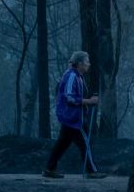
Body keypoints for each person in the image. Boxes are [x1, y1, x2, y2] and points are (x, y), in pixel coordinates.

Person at [43, 51, 105, 179]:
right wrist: (89, 101)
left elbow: (74, 95)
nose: (89, 64)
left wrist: (88, 100)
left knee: (62, 144)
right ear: (80, 63)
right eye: (87, 62)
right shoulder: (72, 76)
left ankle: (49, 168)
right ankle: (91, 171)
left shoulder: (77, 76)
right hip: (73, 118)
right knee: (85, 143)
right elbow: (69, 97)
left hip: (71, 117)